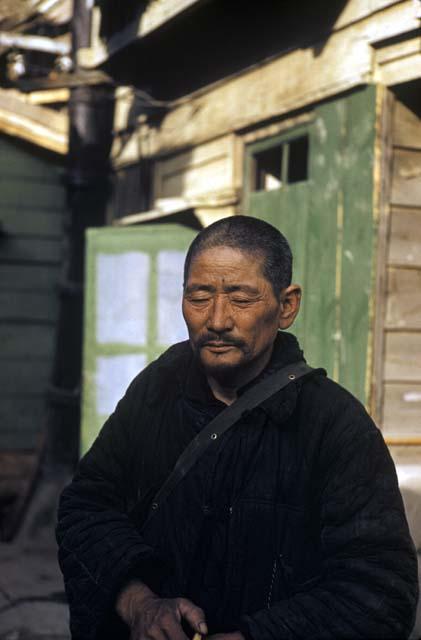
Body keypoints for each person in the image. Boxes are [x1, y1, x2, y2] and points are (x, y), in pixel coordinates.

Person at [57, 215, 418, 640]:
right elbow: (85, 509)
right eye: (199, 297)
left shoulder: (334, 423)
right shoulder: (156, 390)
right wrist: (140, 604)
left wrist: (255, 636)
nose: (217, 320)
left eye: (241, 299)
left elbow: (380, 590)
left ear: (287, 306)